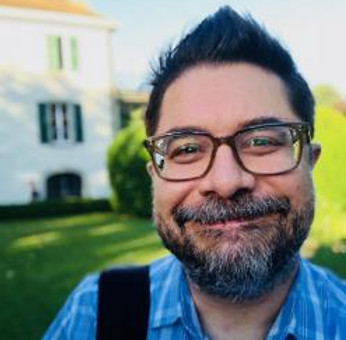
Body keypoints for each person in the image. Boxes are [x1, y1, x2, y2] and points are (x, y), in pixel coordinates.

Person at [44, 6, 346, 340]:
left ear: (310, 161)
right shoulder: (94, 313)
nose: (226, 182)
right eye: (187, 149)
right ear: (154, 176)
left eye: (260, 141)